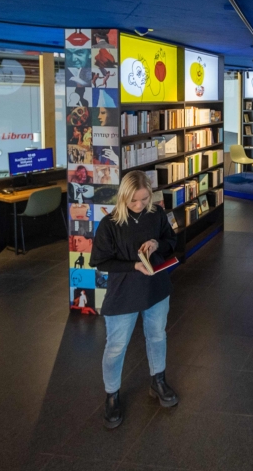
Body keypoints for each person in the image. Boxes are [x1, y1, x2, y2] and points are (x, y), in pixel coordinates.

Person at [89, 171, 179, 429]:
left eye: (144, 199)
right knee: (116, 345)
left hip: (155, 287)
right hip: (124, 292)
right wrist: (133, 266)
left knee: (157, 335)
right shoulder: (109, 224)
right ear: (123, 197)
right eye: (133, 201)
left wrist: (156, 244)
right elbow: (100, 261)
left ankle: (158, 380)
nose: (139, 205)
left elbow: (171, 241)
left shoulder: (157, 214)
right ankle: (112, 394)